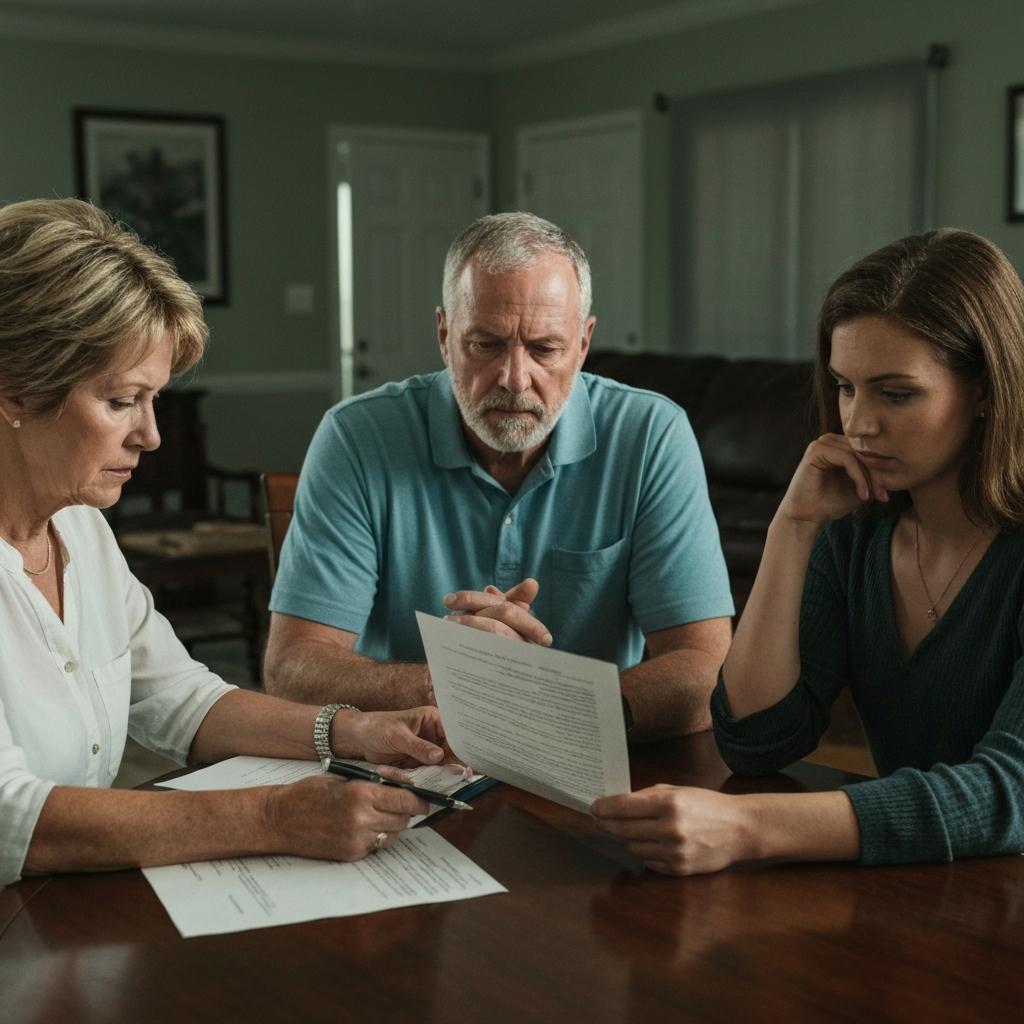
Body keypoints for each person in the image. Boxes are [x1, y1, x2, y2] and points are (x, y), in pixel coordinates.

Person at [0, 198, 449, 888]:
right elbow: (10, 814)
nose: (151, 435)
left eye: (154, 400)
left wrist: (357, 731)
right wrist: (273, 817)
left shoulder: (81, 529)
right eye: (121, 401)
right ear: (15, 392)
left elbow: (182, 700)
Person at [593, 228, 1024, 873]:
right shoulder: (856, 535)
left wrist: (750, 827)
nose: (858, 424)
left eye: (896, 393)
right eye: (846, 387)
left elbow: (1010, 792)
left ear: (986, 390)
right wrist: (792, 527)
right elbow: (755, 739)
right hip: (923, 883)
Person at [263, 212, 733, 738]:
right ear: (445, 335)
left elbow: (705, 668)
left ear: (583, 344)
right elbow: (291, 668)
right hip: (411, 753)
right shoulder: (357, 436)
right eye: (485, 344)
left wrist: (559, 711)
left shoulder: (651, 435)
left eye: (544, 348)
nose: (514, 378)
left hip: (590, 750)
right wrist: (454, 682)